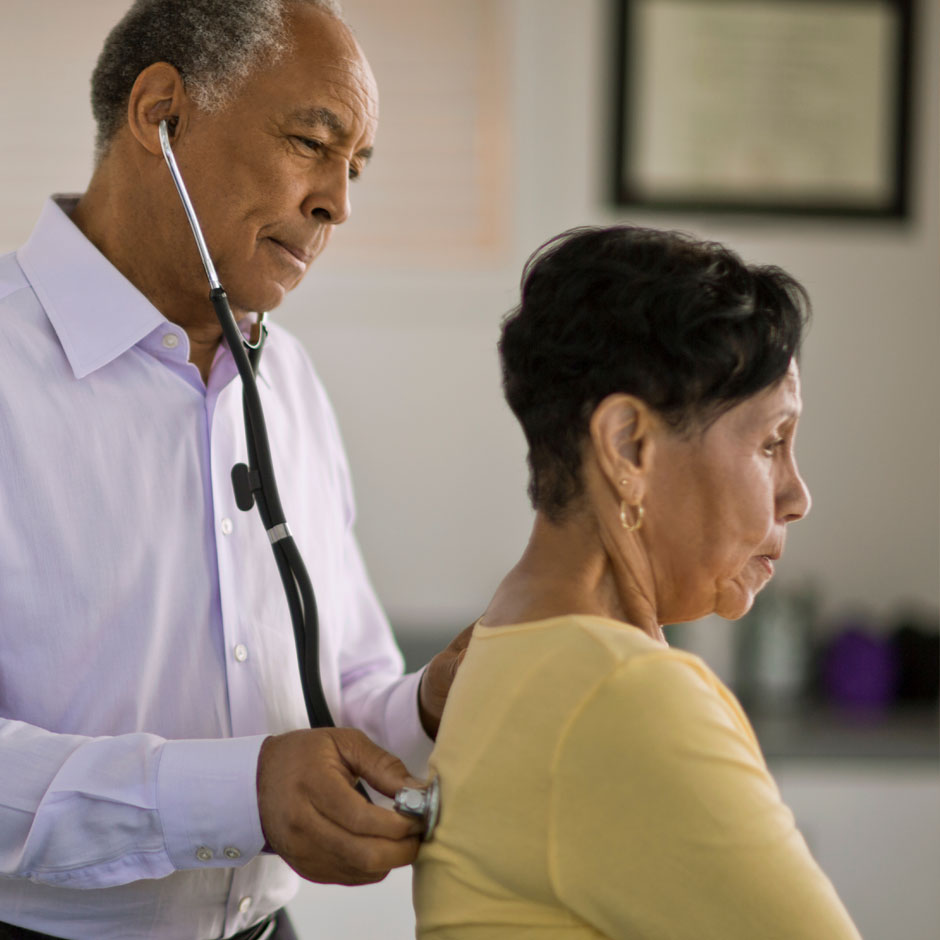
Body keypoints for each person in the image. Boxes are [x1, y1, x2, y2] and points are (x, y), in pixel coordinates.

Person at [0, 1, 468, 937]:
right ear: (160, 114)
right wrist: (237, 793)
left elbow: (341, 688)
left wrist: (430, 701)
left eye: (356, 168)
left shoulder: (286, 381)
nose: (339, 200)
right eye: (311, 142)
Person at [413, 225, 863, 939]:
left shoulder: (498, 648)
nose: (797, 494)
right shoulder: (625, 694)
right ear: (629, 447)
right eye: (771, 442)